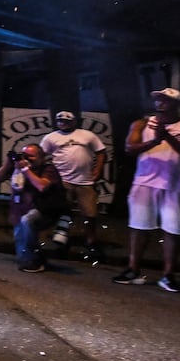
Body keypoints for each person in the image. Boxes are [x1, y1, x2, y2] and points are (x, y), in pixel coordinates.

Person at [114, 87, 180, 292]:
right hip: (144, 183)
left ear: (177, 105)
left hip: (177, 185)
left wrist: (167, 136)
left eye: (166, 100)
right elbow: (129, 149)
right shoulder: (141, 124)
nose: (160, 102)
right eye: (158, 99)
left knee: (173, 231)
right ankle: (133, 270)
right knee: (139, 228)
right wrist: (155, 139)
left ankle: (168, 275)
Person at [39, 111, 108, 261]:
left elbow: (101, 152)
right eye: (60, 120)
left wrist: (98, 169)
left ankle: (91, 241)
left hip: (85, 180)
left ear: (74, 122)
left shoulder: (87, 135)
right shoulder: (50, 137)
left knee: (90, 213)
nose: (63, 123)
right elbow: (41, 155)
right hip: (62, 180)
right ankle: (61, 240)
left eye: (66, 121)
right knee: (63, 210)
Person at [0, 143, 66, 272]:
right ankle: (36, 259)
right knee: (21, 239)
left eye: (31, 156)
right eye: (24, 155)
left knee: (27, 221)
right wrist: (8, 164)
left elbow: (41, 186)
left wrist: (26, 170)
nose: (27, 159)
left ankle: (34, 263)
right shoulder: (17, 167)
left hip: (43, 211)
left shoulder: (48, 169)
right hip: (19, 209)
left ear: (41, 157)